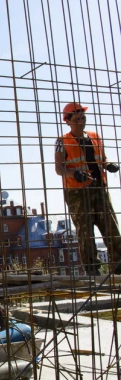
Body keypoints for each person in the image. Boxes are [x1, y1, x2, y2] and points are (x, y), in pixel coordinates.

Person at [54, 102, 121, 276]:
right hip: (77, 192)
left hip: (99, 188)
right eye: (77, 119)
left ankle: (119, 264)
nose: (81, 121)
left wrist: (108, 165)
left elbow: (102, 159)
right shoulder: (62, 142)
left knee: (110, 226)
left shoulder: (95, 137)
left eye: (83, 118)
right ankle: (92, 269)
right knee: (85, 231)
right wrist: (74, 174)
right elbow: (59, 168)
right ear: (67, 121)